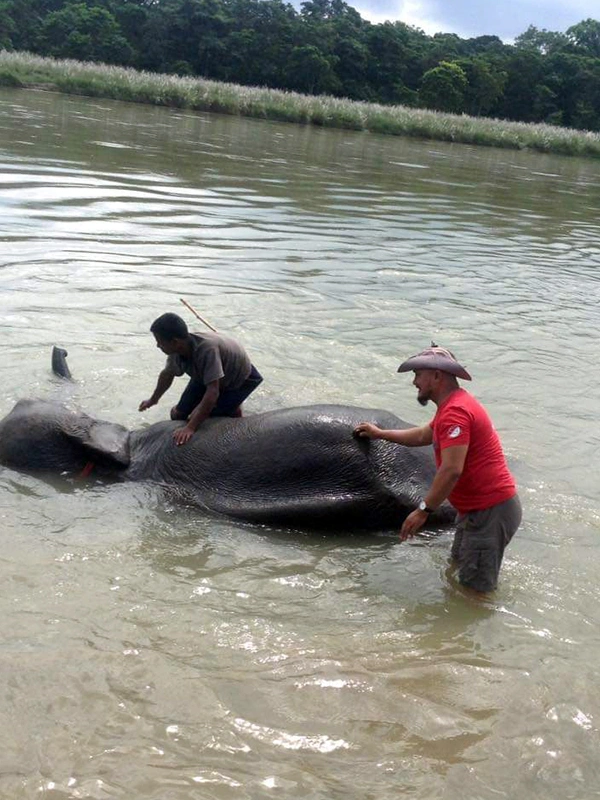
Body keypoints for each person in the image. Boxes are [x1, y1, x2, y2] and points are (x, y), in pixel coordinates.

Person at [354, 344, 521, 593]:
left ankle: (477, 626)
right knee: (457, 572)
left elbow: (452, 469)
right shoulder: (451, 406)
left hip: (489, 511)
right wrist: (380, 434)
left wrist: (423, 510)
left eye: (418, 375)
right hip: (474, 510)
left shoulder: (456, 412)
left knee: (475, 593)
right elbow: (424, 434)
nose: (414, 382)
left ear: (436, 375)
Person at [139, 312, 262, 446]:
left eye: (160, 342)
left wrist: (190, 427)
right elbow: (167, 374)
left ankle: (234, 409)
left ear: (175, 342)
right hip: (206, 375)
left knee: (201, 419)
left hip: (238, 378)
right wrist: (153, 399)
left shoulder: (207, 350)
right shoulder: (177, 350)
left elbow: (213, 391)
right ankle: (228, 406)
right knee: (177, 414)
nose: (157, 346)